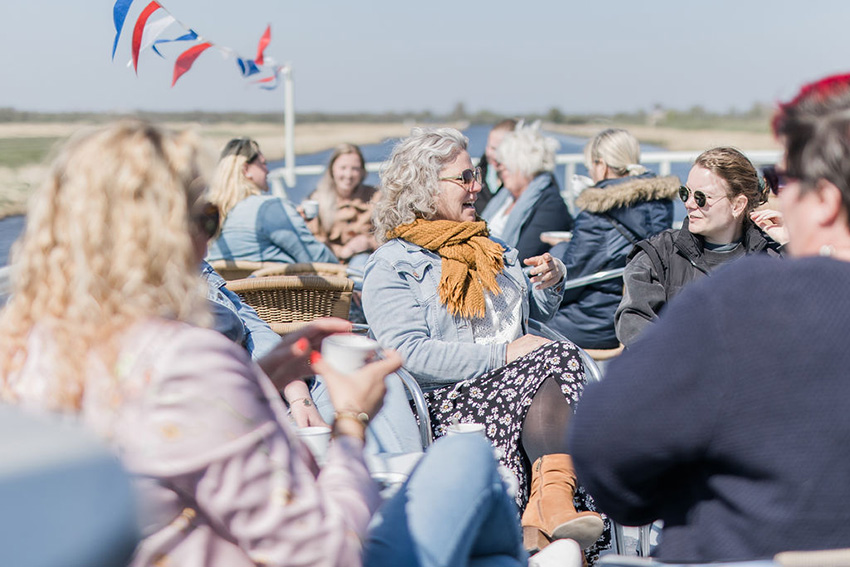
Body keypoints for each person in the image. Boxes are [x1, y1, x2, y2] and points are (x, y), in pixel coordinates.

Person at [0, 121, 534, 567]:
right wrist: (350, 423)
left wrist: (268, 376)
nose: (209, 238)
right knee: (467, 458)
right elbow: (329, 552)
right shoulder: (185, 358)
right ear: (159, 236)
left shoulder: (27, 350)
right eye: (206, 218)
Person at [569, 72, 850, 562]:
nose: (777, 198)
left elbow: (603, 451)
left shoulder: (744, 295)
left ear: (824, 200)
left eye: (783, 181)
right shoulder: (664, 255)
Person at [363, 127, 606, 556]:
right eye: (464, 178)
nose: (477, 186)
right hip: (452, 402)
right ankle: (553, 514)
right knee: (561, 358)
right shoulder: (392, 265)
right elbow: (408, 355)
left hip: (523, 384)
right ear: (424, 186)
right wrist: (504, 355)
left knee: (557, 360)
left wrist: (550, 282)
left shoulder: (490, 246)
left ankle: (549, 509)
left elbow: (529, 316)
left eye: (475, 175)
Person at [614, 146, 783, 347]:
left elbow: (810, 319)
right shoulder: (658, 254)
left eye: (701, 198)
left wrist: (790, 244)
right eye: (686, 193)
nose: (689, 204)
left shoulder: (773, 258)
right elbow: (633, 322)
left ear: (737, 205)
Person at [549, 128, 679, 351]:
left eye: (590, 165)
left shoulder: (598, 212)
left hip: (597, 320)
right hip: (641, 313)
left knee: (524, 326)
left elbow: (570, 281)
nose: (590, 172)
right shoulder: (660, 204)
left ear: (603, 165)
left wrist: (559, 251)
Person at [205, 137, 338, 264]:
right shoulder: (269, 208)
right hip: (275, 286)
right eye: (263, 164)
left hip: (231, 286)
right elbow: (316, 258)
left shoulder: (214, 214)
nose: (267, 170)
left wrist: (292, 220)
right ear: (246, 169)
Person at [481, 124, 574, 262]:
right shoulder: (505, 196)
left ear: (525, 165)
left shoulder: (550, 205)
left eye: (504, 162)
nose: (498, 168)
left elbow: (521, 258)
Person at [304, 143, 380, 265]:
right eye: (343, 168)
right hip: (330, 262)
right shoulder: (317, 200)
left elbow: (390, 234)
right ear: (332, 170)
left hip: (366, 259)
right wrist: (343, 251)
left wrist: (369, 243)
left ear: (362, 171)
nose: (348, 175)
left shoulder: (375, 197)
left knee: (361, 263)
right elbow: (312, 239)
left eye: (354, 169)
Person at [476, 118, 518, 214]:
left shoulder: (519, 183)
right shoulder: (477, 175)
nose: (492, 154)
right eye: (490, 147)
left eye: (498, 149)